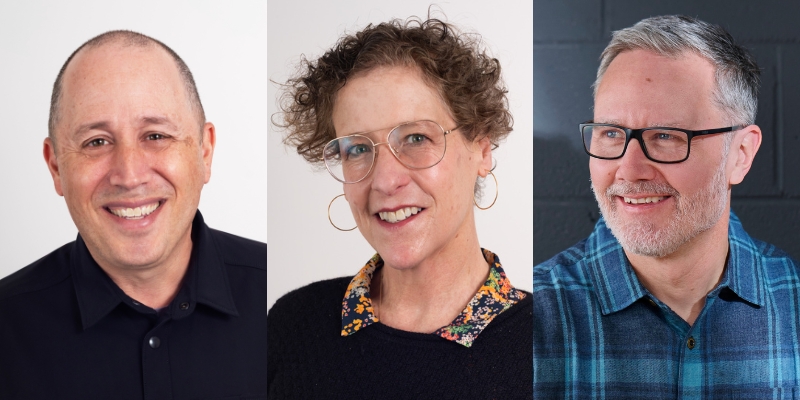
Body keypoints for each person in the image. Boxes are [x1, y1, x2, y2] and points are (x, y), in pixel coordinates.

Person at [533, 15, 800, 397]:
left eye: (665, 136)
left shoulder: (793, 303)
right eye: (612, 133)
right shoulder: (533, 319)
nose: (629, 170)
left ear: (741, 154)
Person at [268, 17, 531, 398]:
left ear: (482, 149)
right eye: (358, 148)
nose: (385, 180)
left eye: (416, 138)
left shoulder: (550, 344)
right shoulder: (292, 326)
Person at [0, 31, 266, 398]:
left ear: (205, 152)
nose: (129, 175)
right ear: (56, 167)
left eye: (155, 136)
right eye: (96, 142)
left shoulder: (278, 302)